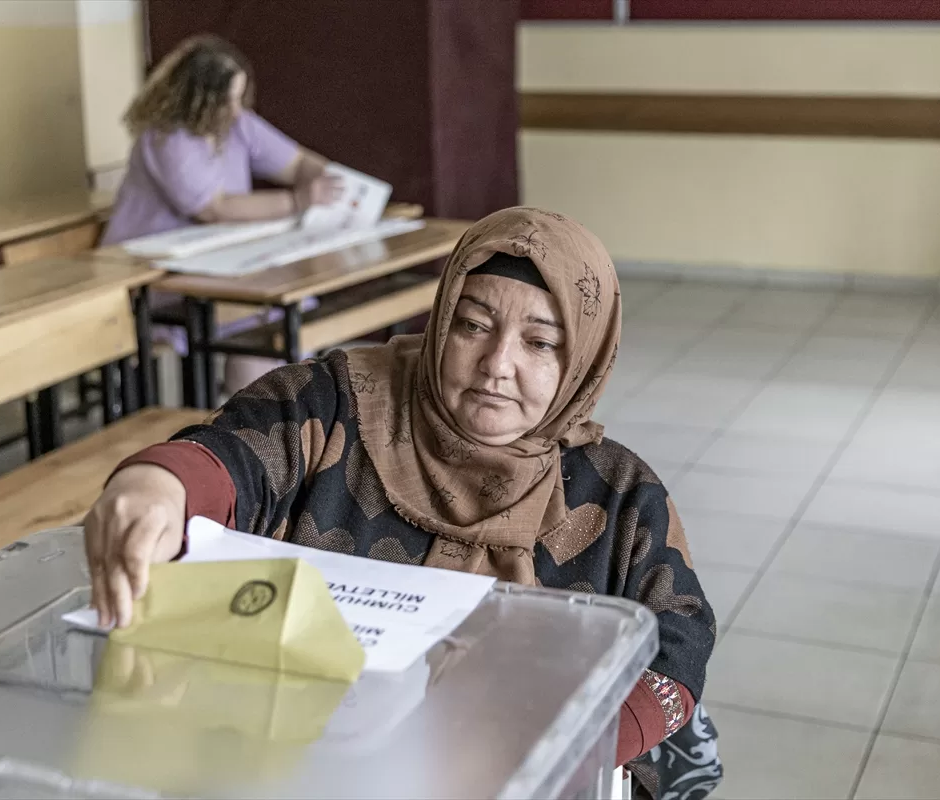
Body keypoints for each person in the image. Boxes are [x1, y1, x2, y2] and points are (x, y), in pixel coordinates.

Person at [84, 208, 721, 793]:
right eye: (472, 325)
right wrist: (160, 485)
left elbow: (678, 640)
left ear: (584, 355)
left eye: (539, 342)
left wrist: (560, 748)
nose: (497, 364)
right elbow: (238, 455)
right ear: (441, 319)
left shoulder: (617, 496)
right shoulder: (337, 405)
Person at [101, 35, 343, 394]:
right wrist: (300, 200)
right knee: (261, 312)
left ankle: (286, 418)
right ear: (197, 98)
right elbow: (214, 208)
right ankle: (253, 427)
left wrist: (338, 181)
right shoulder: (167, 138)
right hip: (157, 276)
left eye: (238, 97)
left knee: (289, 305)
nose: (235, 110)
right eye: (226, 100)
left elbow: (297, 162)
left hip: (216, 265)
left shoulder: (238, 124)